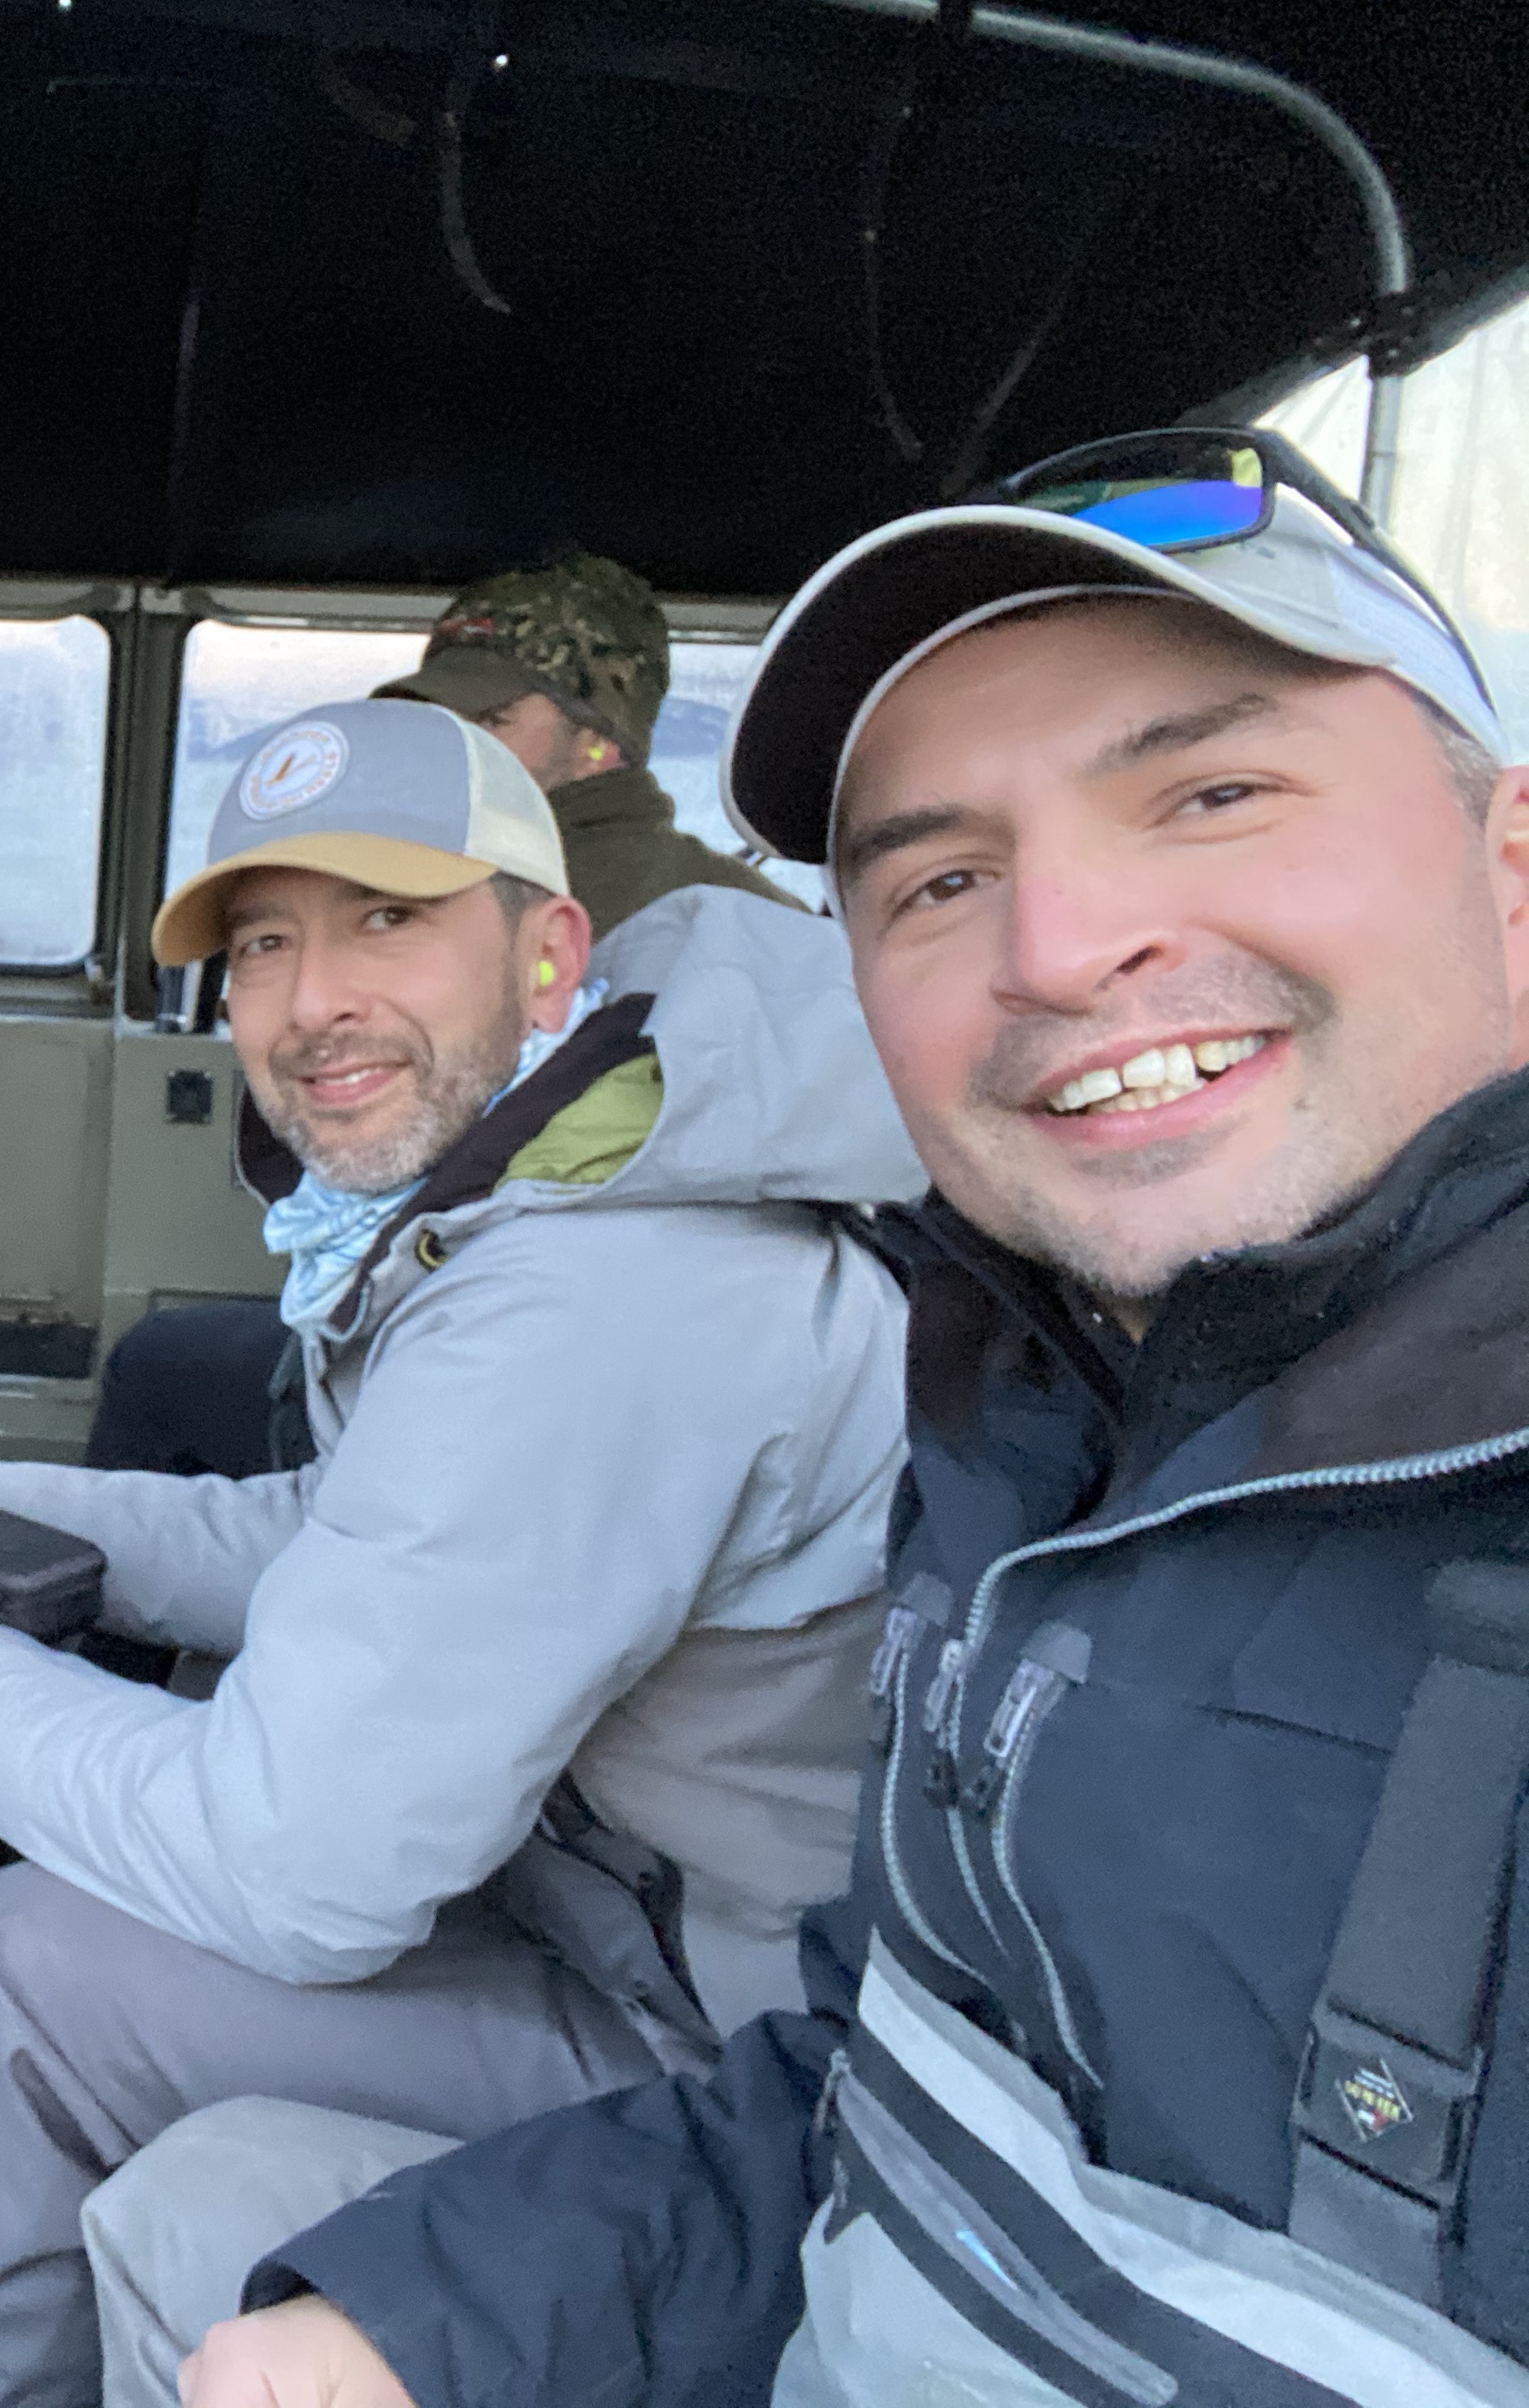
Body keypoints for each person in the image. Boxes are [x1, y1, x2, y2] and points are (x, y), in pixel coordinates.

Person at [147, 428, 1529, 2408]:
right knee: (217, 2243)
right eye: (943, 877)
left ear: (1513, 870)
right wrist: (414, 2315)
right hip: (784, 2203)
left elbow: (324, 1860)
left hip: (636, 1961)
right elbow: (888, 2102)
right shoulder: (1018, 1440)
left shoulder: (669, 1298)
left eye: (1212, 796)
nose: (1060, 946)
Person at [0, 694, 925, 2405]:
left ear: (548, 955)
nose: (311, 1000)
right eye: (264, 944)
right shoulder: (555, 1178)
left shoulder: (600, 1293)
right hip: (605, 1921)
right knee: (28, 1954)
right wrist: (7, 1504)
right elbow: (349, 1533)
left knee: (60, 2017)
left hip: (744, 2063)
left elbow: (299, 1874)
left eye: (388, 917)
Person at [84, 551, 793, 1483]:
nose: (316, 1003)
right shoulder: (761, 912)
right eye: (437, 718)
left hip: (522, 1370)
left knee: (156, 1366)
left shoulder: (536, 906)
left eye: (491, 721)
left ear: (600, 741)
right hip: (485, 1338)